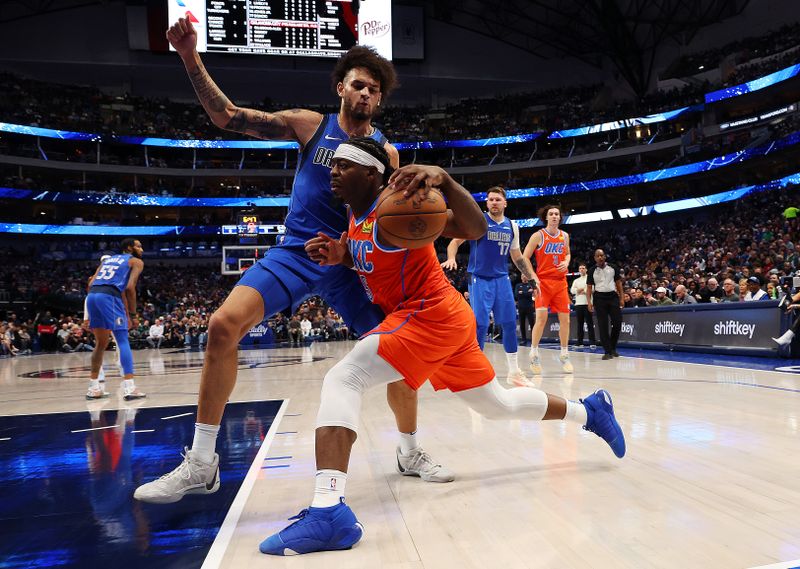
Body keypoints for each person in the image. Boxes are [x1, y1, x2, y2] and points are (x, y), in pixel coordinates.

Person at [134, 19, 450, 505]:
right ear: (340, 87)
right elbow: (227, 116)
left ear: (380, 101)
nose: (366, 93)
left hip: (351, 265)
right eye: (359, 84)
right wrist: (189, 56)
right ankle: (201, 463)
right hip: (297, 252)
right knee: (221, 325)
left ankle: (409, 451)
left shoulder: (386, 151)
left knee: (401, 356)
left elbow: (389, 217)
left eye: (375, 89)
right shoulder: (310, 125)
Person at [258, 139, 626, 556]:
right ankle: (589, 410)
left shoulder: (403, 204)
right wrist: (343, 255)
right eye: (333, 167)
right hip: (442, 318)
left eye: (344, 166)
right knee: (497, 405)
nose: (333, 173)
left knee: (345, 377)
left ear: (371, 173)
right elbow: (375, 258)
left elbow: (474, 229)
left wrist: (446, 180)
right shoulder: (354, 215)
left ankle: (328, 511)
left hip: (429, 312)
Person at [441, 186, 535, 386]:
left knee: (509, 323)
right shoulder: (479, 221)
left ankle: (514, 372)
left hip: (501, 278)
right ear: (487, 203)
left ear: (505, 203)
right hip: (479, 277)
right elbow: (454, 242)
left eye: (497, 199)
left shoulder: (512, 226)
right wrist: (451, 258)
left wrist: (532, 277)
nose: (494, 202)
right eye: (490, 199)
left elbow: (517, 256)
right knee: (481, 324)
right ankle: (474, 370)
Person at [85, 238, 146, 401]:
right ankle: (129, 387)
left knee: (101, 343)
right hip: (109, 297)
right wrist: (132, 315)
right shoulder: (136, 262)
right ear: (129, 248)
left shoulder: (108, 260)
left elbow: (90, 283)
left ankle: (94, 387)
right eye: (138, 246)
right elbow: (130, 288)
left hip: (92, 296)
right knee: (122, 340)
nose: (142, 249)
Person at [522, 205, 572, 374]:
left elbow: (568, 254)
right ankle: (534, 353)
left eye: (557, 214)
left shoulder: (564, 236)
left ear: (560, 217)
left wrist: (566, 261)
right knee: (541, 318)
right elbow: (524, 258)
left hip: (560, 283)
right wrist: (532, 277)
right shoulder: (538, 236)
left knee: (565, 320)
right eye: (551, 214)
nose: (554, 216)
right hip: (542, 282)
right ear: (546, 217)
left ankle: (564, 354)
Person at [586, 249, 624, 360]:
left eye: (602, 255)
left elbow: (619, 284)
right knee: (603, 326)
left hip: (612, 297)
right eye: (598, 256)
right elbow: (589, 288)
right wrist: (589, 302)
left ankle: (612, 347)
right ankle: (607, 351)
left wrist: (621, 298)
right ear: (595, 258)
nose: (600, 258)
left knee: (617, 322)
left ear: (605, 257)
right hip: (599, 298)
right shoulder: (592, 270)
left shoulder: (613, 268)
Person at [570, 263, 596, 350]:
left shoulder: (590, 278)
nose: (582, 269)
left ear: (586, 269)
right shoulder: (576, 281)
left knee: (590, 323)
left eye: (583, 268)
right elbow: (572, 290)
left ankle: (592, 342)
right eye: (580, 268)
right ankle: (579, 342)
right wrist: (578, 290)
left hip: (588, 303)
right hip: (579, 304)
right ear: (579, 270)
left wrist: (584, 291)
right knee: (579, 324)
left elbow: (592, 289)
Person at [515, 279, 536, 347]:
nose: (524, 277)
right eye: (522, 276)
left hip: (529, 307)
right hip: (521, 307)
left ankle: (534, 339)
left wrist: (522, 293)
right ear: (521, 277)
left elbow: (532, 294)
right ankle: (524, 340)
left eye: (525, 276)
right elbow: (516, 295)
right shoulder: (518, 285)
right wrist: (527, 292)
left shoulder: (530, 285)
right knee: (522, 324)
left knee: (532, 323)